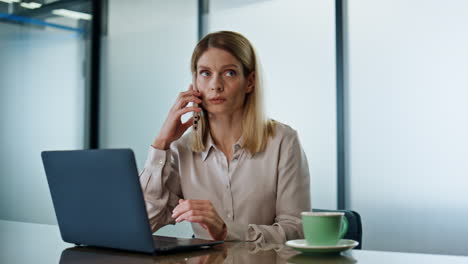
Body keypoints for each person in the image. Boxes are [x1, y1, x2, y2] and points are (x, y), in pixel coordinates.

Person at [139, 31, 310, 244]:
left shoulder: (283, 141)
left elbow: (296, 231)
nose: (215, 85)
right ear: (195, 82)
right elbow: (144, 223)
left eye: (229, 73)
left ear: (250, 82)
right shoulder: (181, 149)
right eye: (205, 73)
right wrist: (161, 143)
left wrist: (226, 231)